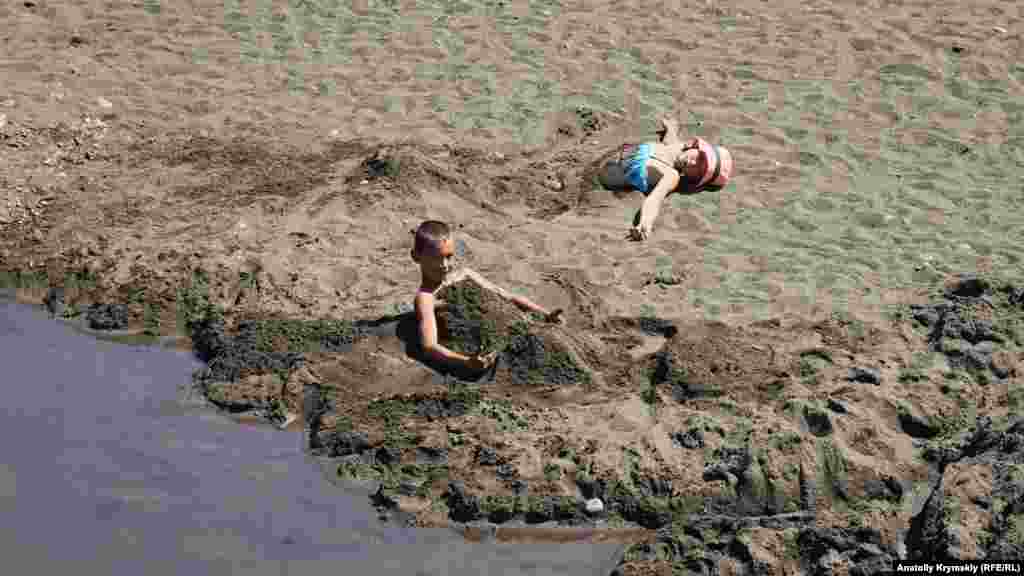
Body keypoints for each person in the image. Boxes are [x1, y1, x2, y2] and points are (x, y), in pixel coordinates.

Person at [409, 220, 563, 373]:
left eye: (448, 256)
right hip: (491, 350)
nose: (444, 264)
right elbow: (429, 346)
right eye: (436, 258)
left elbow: (507, 297)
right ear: (416, 257)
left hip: (515, 329)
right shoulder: (426, 297)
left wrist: (545, 314)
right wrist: (467, 362)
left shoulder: (465, 274)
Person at [598, 117, 733, 241]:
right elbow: (670, 140)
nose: (693, 163)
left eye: (698, 171)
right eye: (699, 158)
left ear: (692, 178)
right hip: (607, 154)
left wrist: (645, 223)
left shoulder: (671, 175)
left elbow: (655, 199)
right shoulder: (676, 149)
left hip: (603, 176)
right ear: (695, 147)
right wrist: (671, 128)